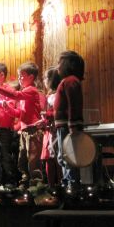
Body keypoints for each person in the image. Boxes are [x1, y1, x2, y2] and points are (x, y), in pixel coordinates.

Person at [0, 62, 43, 188]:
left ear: (31, 77)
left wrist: (0, 87)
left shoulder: (31, 90)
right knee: (22, 160)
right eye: (19, 76)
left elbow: (15, 95)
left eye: (22, 76)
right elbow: (20, 114)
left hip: (33, 130)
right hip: (25, 130)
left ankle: (36, 185)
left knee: (33, 160)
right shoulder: (25, 92)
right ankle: (25, 182)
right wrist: (8, 109)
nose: (19, 79)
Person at [54, 50, 85, 189]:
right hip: (64, 126)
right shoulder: (67, 81)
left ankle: (72, 186)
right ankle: (68, 184)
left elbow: (74, 105)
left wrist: (73, 126)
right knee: (63, 157)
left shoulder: (71, 81)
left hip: (68, 126)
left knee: (68, 157)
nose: (57, 66)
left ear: (68, 64)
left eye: (60, 63)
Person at [41, 67, 62, 187]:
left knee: (57, 159)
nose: (44, 80)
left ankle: (59, 185)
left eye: (46, 78)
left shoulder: (57, 95)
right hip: (48, 131)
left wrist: (46, 114)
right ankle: (51, 186)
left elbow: (57, 112)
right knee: (48, 158)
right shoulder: (49, 95)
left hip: (55, 130)